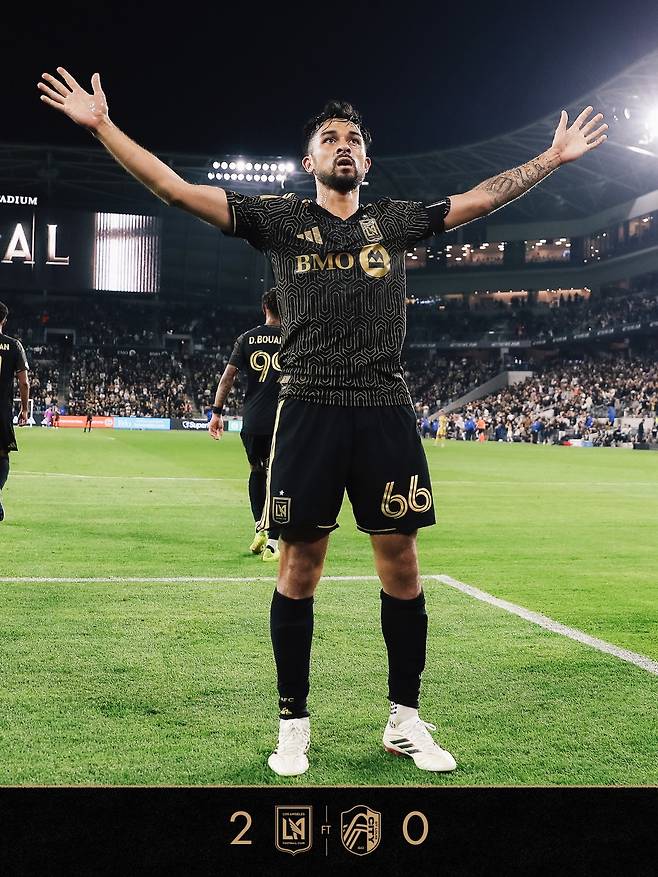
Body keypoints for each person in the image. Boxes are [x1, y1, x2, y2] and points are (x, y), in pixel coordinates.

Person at [38, 66, 606, 777]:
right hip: (307, 409)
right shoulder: (279, 221)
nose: (344, 145)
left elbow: (481, 197)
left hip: (384, 409)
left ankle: (405, 720)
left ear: (366, 161)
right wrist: (102, 127)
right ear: (309, 160)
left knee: (402, 565)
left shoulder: (394, 221)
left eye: (354, 139)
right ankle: (293, 724)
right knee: (299, 567)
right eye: (330, 138)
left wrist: (551, 158)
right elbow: (175, 190)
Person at [208, 289, 282, 562]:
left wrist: (217, 413)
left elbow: (228, 377)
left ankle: (258, 527)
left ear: (264, 308)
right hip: (284, 418)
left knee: (257, 471)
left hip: (254, 419)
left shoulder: (247, 338)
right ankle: (273, 542)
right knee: (280, 476)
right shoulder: (294, 337)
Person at [0, 302, 30, 522]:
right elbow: (24, 382)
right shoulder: (14, 345)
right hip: (1, 411)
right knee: (2, 455)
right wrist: (24, 409)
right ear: (4, 320)